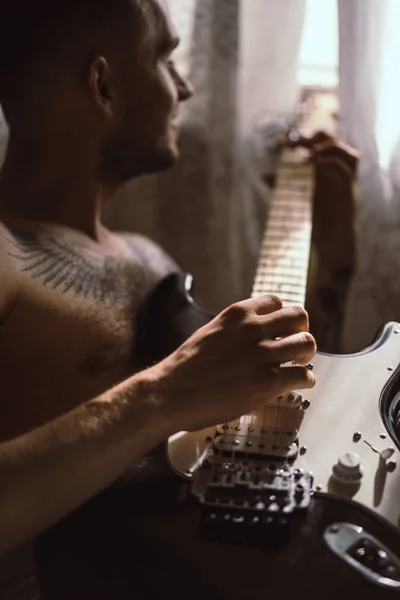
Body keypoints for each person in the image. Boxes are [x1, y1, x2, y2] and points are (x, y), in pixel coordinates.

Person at [0, 0, 316, 588]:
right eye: (165, 59)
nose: (186, 88)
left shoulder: (151, 260)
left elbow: (268, 406)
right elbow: (174, 395)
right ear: (103, 85)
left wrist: (339, 262)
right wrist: (163, 393)